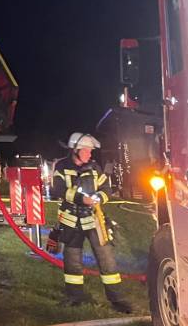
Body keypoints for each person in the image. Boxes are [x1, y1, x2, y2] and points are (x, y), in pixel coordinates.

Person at [52, 132, 132, 312]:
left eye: (90, 151)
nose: (90, 154)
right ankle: (74, 297)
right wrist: (81, 199)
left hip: (94, 220)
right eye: (87, 150)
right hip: (71, 221)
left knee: (107, 260)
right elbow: (59, 189)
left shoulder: (95, 167)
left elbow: (106, 189)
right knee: (72, 262)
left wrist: (99, 198)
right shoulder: (62, 167)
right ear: (75, 150)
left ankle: (117, 300)